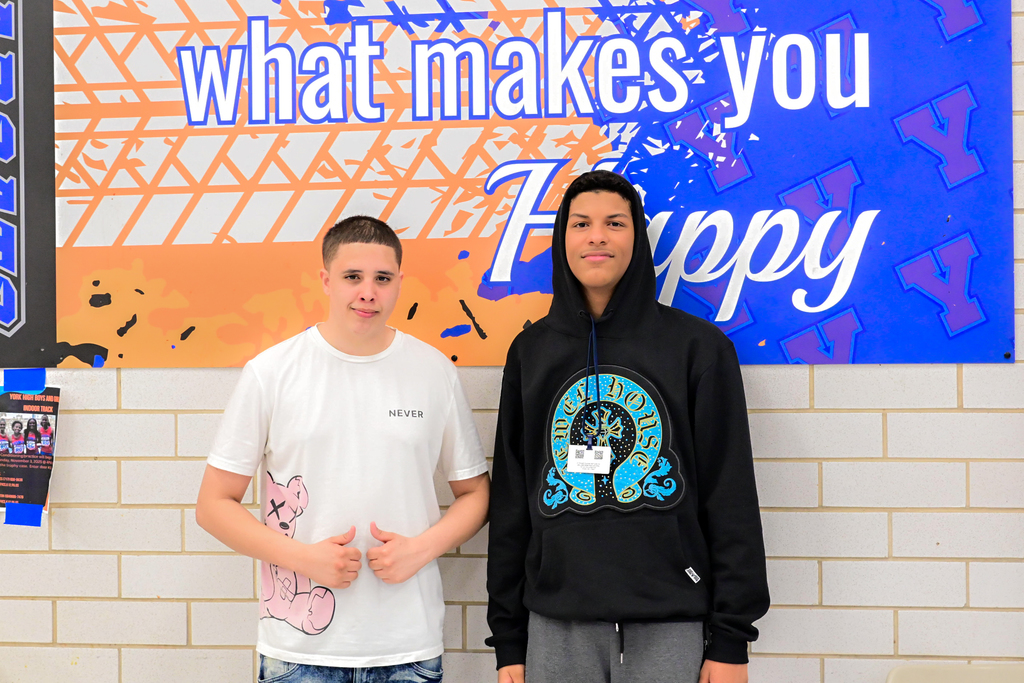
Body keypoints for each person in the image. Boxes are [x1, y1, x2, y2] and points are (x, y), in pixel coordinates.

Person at [486, 171, 769, 683]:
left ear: (636, 239)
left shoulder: (698, 349)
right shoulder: (531, 354)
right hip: (555, 627)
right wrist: (508, 641)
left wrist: (731, 640)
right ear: (562, 240)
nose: (597, 235)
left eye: (614, 223)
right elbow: (511, 504)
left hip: (671, 622)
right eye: (581, 223)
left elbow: (731, 499)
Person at [196, 215, 490, 682]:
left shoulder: (433, 371)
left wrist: (421, 549)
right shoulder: (271, 372)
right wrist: (304, 558)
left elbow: (476, 494)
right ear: (327, 280)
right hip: (297, 655)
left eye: (382, 278)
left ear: (399, 283)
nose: (367, 292)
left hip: (407, 649)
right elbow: (213, 506)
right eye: (353, 277)